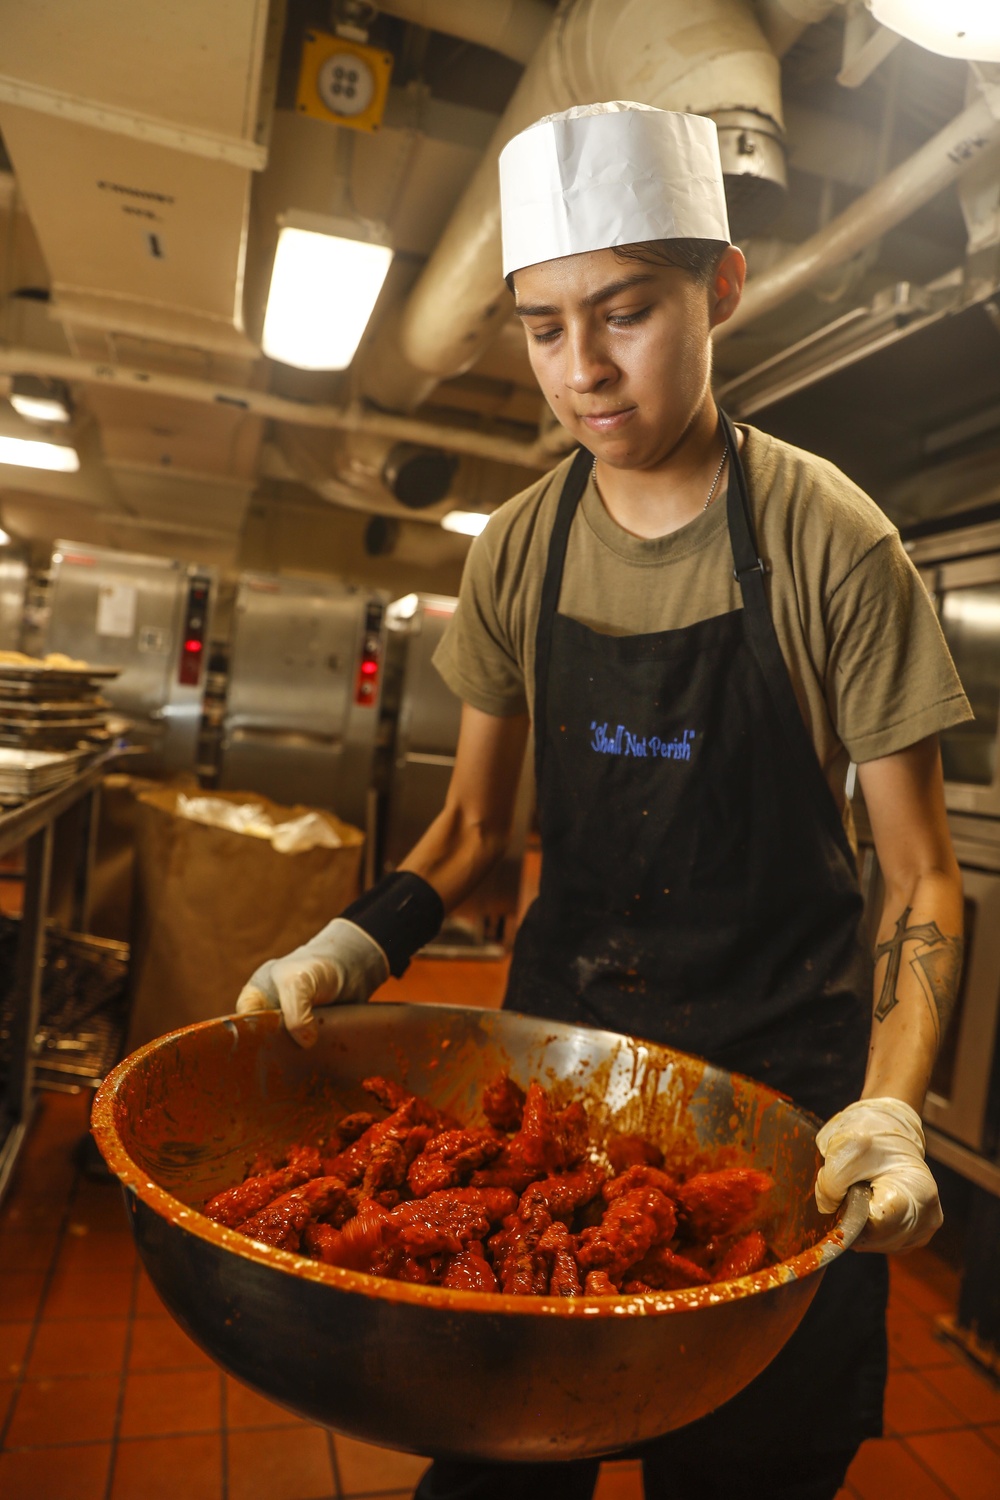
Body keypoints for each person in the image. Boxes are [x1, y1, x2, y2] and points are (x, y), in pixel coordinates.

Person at [237, 102, 970, 1500]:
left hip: (780, 1114)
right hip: (557, 1095)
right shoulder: (519, 548)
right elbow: (473, 832)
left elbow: (922, 874)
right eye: (545, 327)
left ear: (723, 289)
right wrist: (353, 945)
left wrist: (888, 1107)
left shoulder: (833, 543)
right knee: (498, 1466)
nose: (586, 372)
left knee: (751, 1469)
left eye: (626, 312)